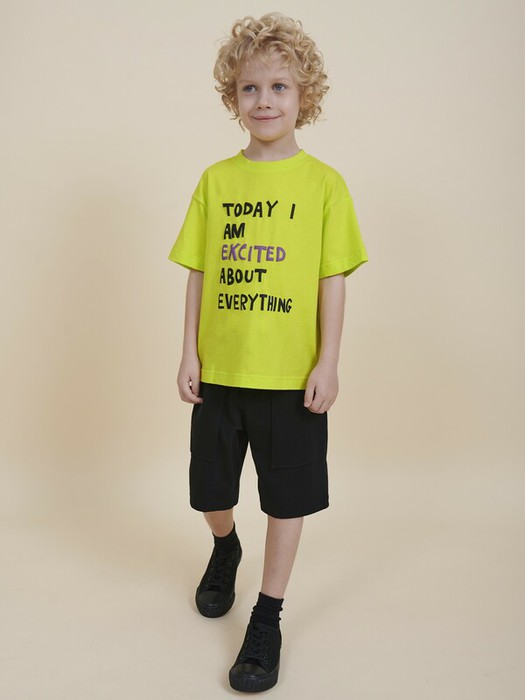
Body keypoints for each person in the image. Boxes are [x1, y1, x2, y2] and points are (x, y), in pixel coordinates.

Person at [168, 12, 367, 693]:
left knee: (287, 498)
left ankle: (266, 617)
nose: (264, 101)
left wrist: (327, 360)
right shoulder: (216, 181)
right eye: (250, 88)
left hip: (290, 378)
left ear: (304, 95)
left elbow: (332, 278)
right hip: (220, 370)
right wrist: (188, 352)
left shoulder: (324, 184)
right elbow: (199, 271)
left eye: (279, 86)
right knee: (210, 492)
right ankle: (225, 546)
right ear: (233, 97)